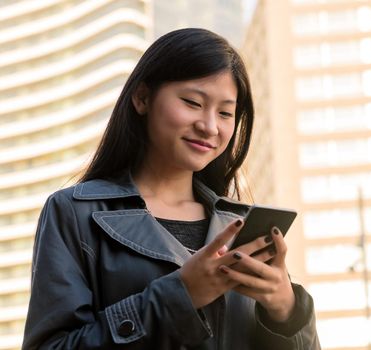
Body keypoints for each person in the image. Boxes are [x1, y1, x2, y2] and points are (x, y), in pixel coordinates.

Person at [22, 28, 320, 349]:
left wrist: (287, 311)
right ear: (142, 98)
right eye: (192, 102)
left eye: (225, 113)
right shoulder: (74, 213)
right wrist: (180, 296)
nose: (210, 126)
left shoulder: (242, 227)